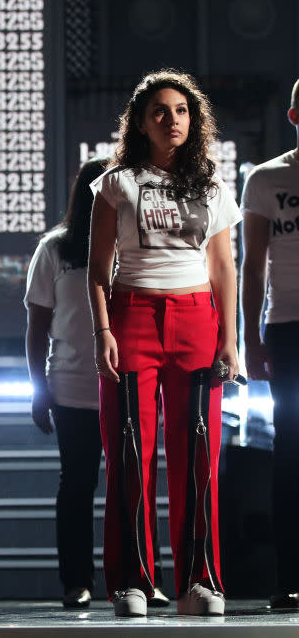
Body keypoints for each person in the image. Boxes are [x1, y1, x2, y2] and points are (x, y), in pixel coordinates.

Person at [87, 70, 240, 617]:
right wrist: (102, 330)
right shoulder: (117, 181)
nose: (171, 119)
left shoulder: (213, 186)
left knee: (197, 455)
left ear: (192, 120)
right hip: (132, 316)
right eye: (159, 111)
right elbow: (98, 267)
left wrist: (231, 341)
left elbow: (224, 267)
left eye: (180, 110)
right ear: (141, 122)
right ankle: (133, 579)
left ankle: (200, 580)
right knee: (129, 452)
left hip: (197, 319)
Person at [27, 157, 170, 610]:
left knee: (136, 483)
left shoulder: (137, 246)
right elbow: (37, 327)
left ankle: (143, 578)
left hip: (130, 384)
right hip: (72, 387)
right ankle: (77, 582)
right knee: (77, 485)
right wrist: (38, 391)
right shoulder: (55, 249)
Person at [240, 77, 299, 611]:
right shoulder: (266, 179)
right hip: (289, 328)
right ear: (294, 116)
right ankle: (289, 579)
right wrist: (250, 340)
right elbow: (252, 265)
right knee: (292, 456)